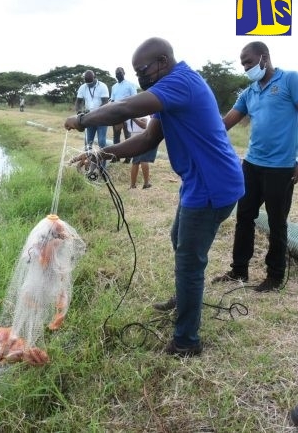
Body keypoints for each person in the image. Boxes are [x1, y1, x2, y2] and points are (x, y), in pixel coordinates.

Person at [64, 37, 244, 357]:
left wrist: (82, 121)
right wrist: (103, 153)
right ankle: (185, 296)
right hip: (198, 183)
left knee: (189, 261)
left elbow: (124, 108)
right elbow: (148, 136)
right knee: (180, 240)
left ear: (162, 61)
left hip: (212, 186)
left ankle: (186, 341)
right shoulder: (170, 90)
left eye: (142, 70)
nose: (140, 77)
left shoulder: (180, 83)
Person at [211, 41, 298, 292]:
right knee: (244, 217)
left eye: (248, 62)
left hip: (281, 168)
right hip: (251, 164)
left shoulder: (290, 80)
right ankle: (239, 271)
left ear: (264, 57)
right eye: (243, 64)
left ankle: (275, 276)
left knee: (277, 222)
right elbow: (225, 123)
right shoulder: (249, 93)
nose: (246, 68)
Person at [75, 70, 110, 152]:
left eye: (90, 82)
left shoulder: (102, 86)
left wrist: (95, 114)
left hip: (102, 117)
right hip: (89, 117)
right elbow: (78, 102)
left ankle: (102, 163)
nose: (89, 84)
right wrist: (79, 112)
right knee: (88, 142)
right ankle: (88, 161)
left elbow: (105, 103)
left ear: (95, 77)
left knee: (101, 142)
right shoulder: (83, 87)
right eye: (87, 83)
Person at [110, 67, 138, 163]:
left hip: (127, 114)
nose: (118, 75)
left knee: (127, 137)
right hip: (116, 115)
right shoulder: (114, 87)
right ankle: (116, 157)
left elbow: (135, 99)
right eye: (117, 73)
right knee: (116, 137)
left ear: (124, 73)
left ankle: (128, 157)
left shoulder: (130, 85)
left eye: (120, 73)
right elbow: (112, 100)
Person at [126, 115, 157, 189]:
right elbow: (144, 125)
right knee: (142, 160)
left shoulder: (134, 114)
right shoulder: (143, 113)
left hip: (136, 139)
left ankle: (133, 185)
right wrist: (133, 118)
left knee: (136, 162)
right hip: (143, 139)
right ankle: (145, 184)